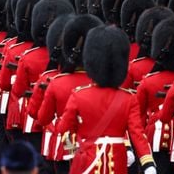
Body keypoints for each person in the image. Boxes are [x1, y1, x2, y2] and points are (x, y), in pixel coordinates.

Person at [57, 26, 157, 174]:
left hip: (87, 162)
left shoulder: (79, 95)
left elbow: (64, 130)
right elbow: (137, 134)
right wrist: (147, 162)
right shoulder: (128, 98)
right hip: (116, 163)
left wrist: (75, 151)